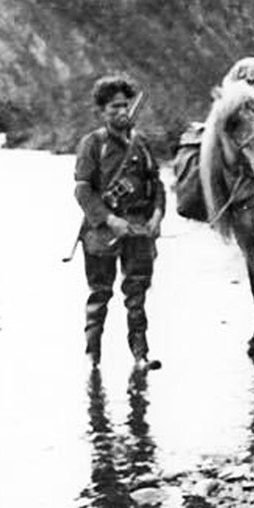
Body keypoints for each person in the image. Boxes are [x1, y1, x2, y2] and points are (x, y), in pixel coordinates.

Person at [74, 75, 165, 370]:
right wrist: (109, 219)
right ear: (102, 112)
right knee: (100, 294)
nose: (122, 112)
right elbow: (83, 189)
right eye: (114, 107)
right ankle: (93, 358)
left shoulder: (142, 143)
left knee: (137, 294)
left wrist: (157, 215)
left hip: (139, 227)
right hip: (101, 233)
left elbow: (157, 184)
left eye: (125, 105)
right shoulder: (93, 144)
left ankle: (140, 355)